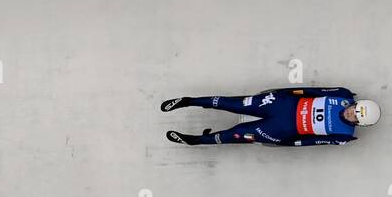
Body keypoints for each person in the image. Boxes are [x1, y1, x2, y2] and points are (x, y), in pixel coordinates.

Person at [161, 87, 380, 146]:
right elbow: (313, 90)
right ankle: (189, 101)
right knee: (232, 103)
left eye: (355, 117)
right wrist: (284, 92)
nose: (350, 112)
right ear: (354, 103)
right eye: (354, 108)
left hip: (280, 131)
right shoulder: (342, 95)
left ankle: (195, 140)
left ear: (358, 123)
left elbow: (313, 141)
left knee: (235, 135)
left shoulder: (344, 135)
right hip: (280, 104)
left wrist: (288, 143)